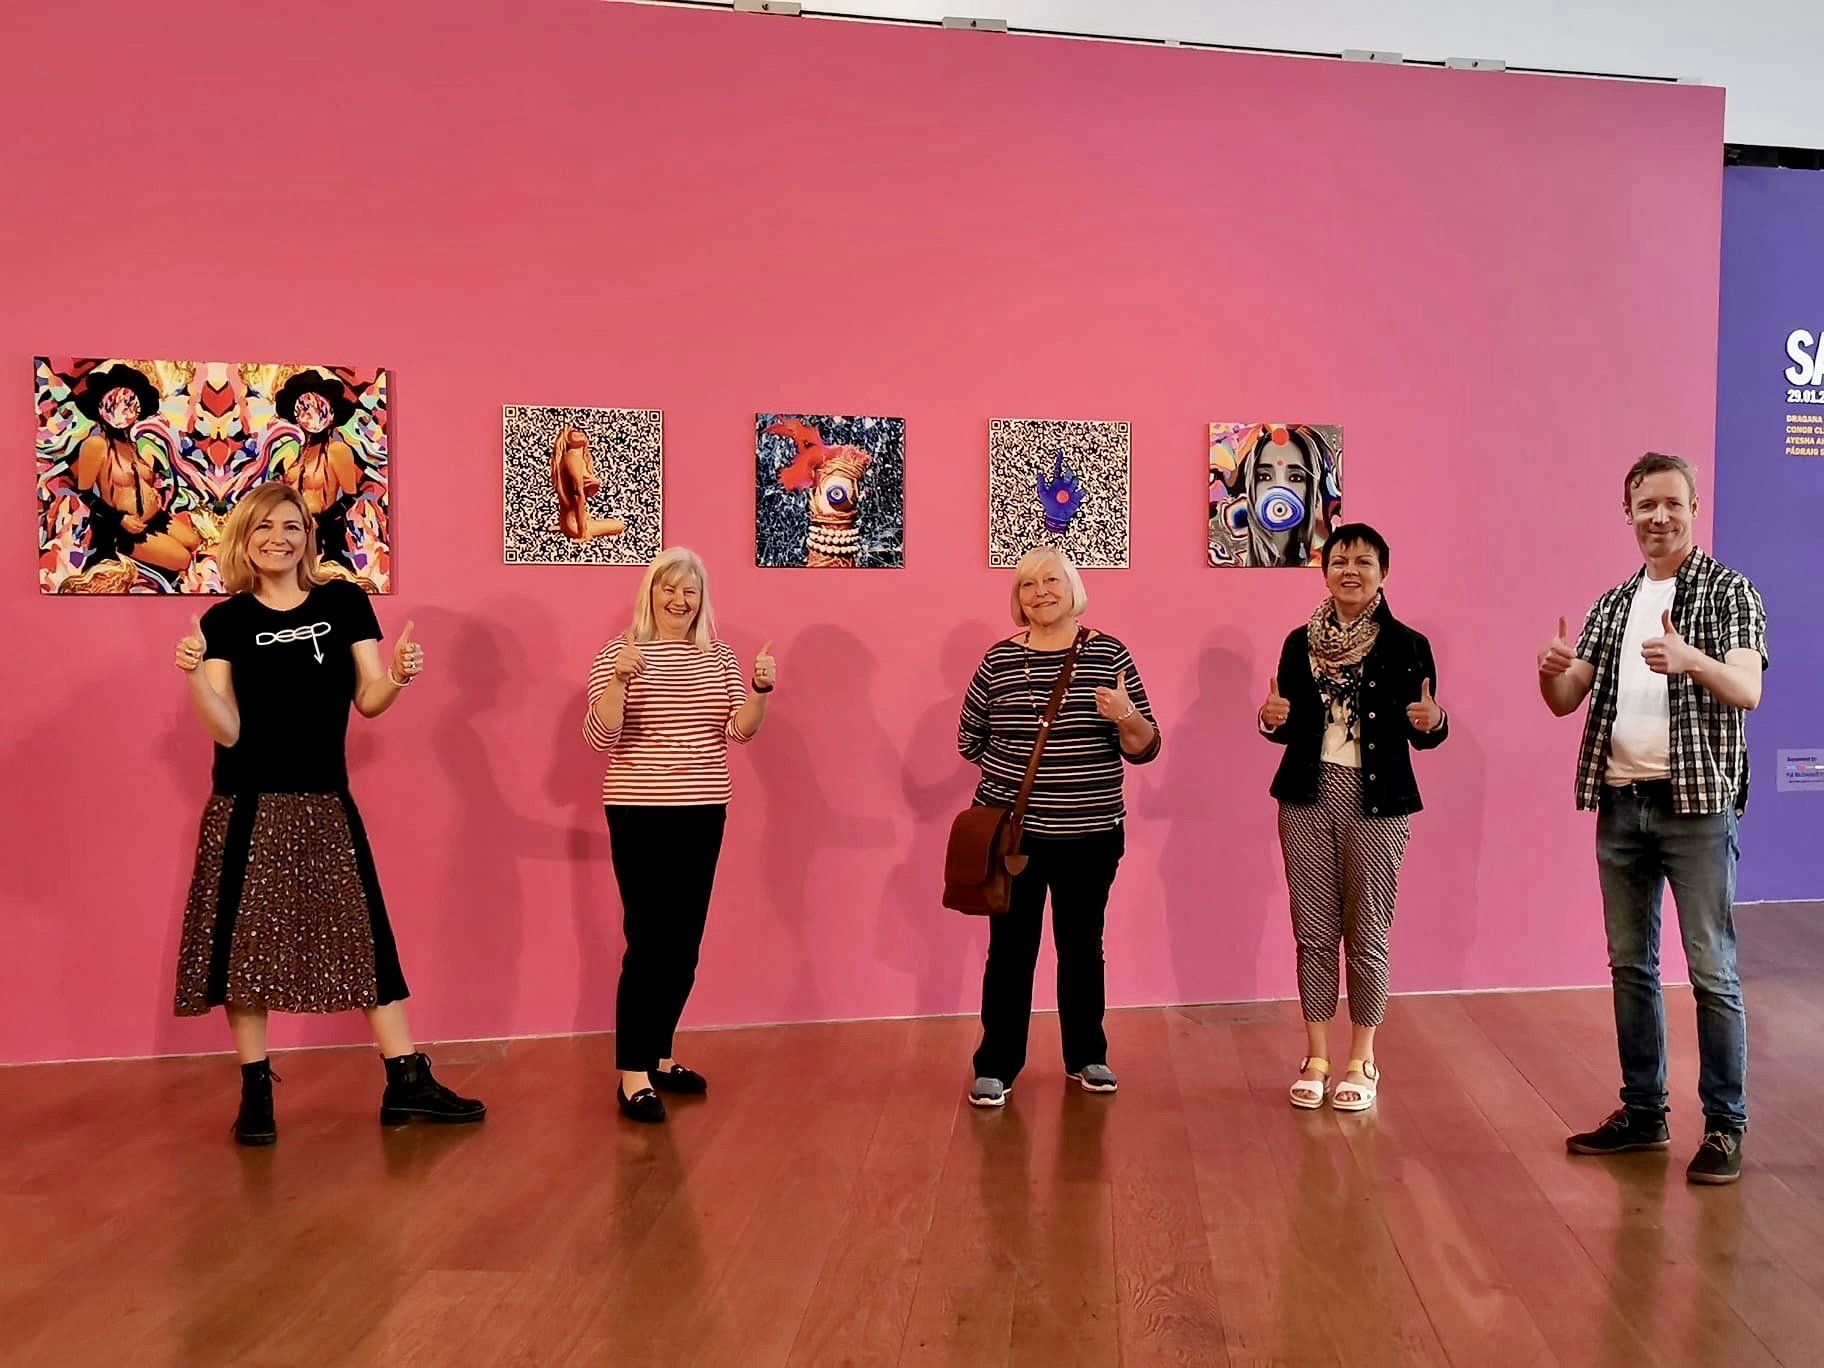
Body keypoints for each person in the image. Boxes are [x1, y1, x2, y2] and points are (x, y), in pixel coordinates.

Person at [171, 481, 485, 1145]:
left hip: (323, 799)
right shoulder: (224, 623)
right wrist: (196, 676)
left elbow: (368, 699)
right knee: (243, 953)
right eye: (263, 528)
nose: (278, 538)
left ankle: (405, 1081)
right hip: (247, 804)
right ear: (244, 540)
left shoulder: (344, 603)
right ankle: (256, 1093)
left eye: (290, 526)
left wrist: (398, 674)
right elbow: (226, 730)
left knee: (364, 935)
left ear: (308, 536)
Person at [1539, 453, 1766, 1185]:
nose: (1659, 517)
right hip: (1620, 804)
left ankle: (1724, 1127)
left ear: (1693, 508)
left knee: (1712, 971)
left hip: (1696, 808)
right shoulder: (1613, 602)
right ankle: (1644, 1114)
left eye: (1672, 503)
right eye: (1646, 506)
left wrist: (1691, 658)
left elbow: (1748, 688)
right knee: (1630, 967)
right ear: (1628, 514)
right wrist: (1553, 672)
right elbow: (1569, 698)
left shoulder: (1730, 592)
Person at [959, 545, 1160, 1108]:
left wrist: (1122, 714)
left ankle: (1087, 1056)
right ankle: (997, 1064)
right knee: (1010, 950)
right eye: (1027, 584)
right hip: (1014, 835)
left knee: (1081, 945)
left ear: (1073, 589)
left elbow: (1145, 747)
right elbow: (968, 740)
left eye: (1052, 580)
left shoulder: (1108, 655)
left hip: (1091, 832)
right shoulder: (998, 661)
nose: (1040, 591)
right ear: (1018, 600)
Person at [1258, 523, 1447, 1112]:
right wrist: (1270, 718)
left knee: (1368, 930)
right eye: (1340, 559)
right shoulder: (1298, 642)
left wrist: (1434, 720)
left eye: (1364, 562)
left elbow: (1428, 730)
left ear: (1383, 574)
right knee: (1312, 930)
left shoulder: (1407, 644)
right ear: (1324, 570)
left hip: (1378, 801)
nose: (1351, 570)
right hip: (1306, 797)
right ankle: (1316, 1055)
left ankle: (1362, 1058)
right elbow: (1285, 725)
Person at [585, 548, 776, 1123]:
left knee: (684, 945)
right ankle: (632, 1074)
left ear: (701, 599)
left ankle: (661, 1056)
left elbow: (739, 731)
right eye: (669, 588)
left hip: (703, 810)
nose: (679, 600)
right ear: (651, 594)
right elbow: (600, 735)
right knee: (648, 941)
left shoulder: (719, 656)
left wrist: (761, 690)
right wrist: (620, 679)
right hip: (639, 811)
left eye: (690, 590)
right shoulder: (618, 654)